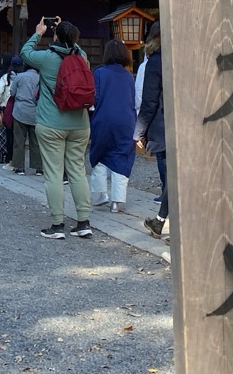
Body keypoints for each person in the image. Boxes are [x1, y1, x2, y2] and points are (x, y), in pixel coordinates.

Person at [21, 16, 93, 240]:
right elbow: (75, 48)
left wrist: (39, 33)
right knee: (78, 172)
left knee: (53, 174)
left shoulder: (47, 58)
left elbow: (25, 52)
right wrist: (68, 34)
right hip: (80, 124)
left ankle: (57, 224)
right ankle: (83, 222)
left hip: (51, 122)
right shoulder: (82, 57)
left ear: (55, 36)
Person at [89, 39, 137, 213]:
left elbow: (95, 98)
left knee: (100, 153)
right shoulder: (129, 76)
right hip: (126, 120)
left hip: (104, 117)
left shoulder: (100, 73)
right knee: (122, 155)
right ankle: (117, 201)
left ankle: (100, 193)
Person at [135, 23, 168, 240]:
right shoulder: (184, 55)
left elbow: (149, 100)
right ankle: (161, 220)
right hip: (192, 122)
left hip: (165, 125)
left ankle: (164, 222)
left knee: (172, 178)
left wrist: (139, 132)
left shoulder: (156, 61)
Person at [9, 57, 42, 175]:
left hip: (20, 110)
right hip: (35, 112)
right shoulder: (40, 78)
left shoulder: (19, 77)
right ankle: (39, 167)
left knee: (19, 140)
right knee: (36, 142)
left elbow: (12, 92)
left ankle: (19, 167)